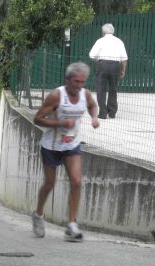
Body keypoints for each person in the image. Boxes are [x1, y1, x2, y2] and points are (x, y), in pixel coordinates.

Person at [32, 62, 100, 242]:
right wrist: (61, 123)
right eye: (76, 81)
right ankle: (38, 214)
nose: (79, 86)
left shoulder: (85, 95)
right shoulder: (56, 96)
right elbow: (37, 118)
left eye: (83, 82)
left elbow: (93, 105)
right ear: (68, 80)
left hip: (72, 145)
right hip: (52, 146)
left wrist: (94, 117)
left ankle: (71, 225)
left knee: (77, 181)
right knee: (49, 183)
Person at [89, 23, 128, 119]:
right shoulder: (119, 41)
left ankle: (102, 113)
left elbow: (91, 55)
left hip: (102, 65)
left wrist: (99, 60)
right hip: (115, 65)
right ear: (113, 31)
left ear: (103, 32)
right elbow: (124, 58)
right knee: (113, 89)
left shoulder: (100, 41)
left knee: (101, 89)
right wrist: (123, 70)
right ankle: (112, 112)